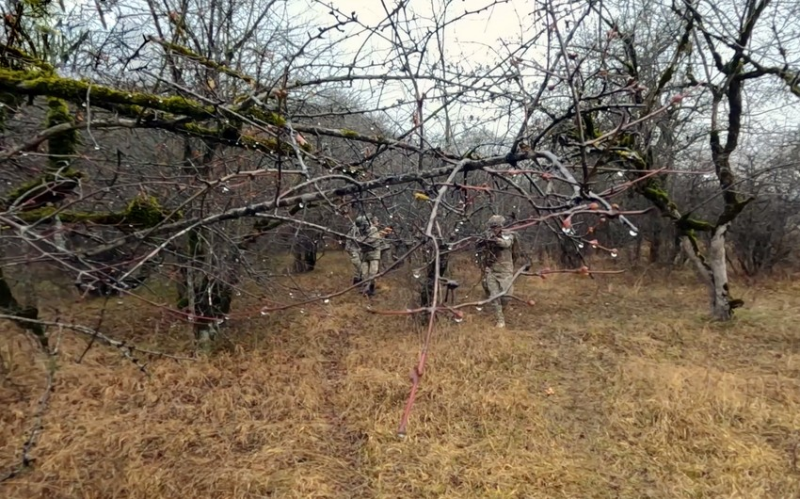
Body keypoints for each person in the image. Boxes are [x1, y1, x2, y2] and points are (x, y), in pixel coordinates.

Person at [476, 214, 519, 328]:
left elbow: (506, 244)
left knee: (507, 296)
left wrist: (495, 240)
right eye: (492, 227)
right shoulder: (486, 235)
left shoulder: (509, 235)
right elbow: (479, 247)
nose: (494, 229)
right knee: (494, 296)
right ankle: (500, 320)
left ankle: (502, 311)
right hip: (491, 270)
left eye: (497, 226)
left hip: (505, 271)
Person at [357, 214, 384, 296]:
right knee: (364, 273)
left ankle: (371, 288)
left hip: (374, 254)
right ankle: (365, 288)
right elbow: (357, 239)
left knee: (373, 272)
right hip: (364, 254)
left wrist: (363, 241)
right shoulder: (359, 231)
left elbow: (372, 240)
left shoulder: (373, 229)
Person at [345, 217, 365, 286]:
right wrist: (349, 249)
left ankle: (357, 280)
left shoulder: (364, 229)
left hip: (360, 249)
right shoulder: (353, 229)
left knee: (360, 266)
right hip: (353, 249)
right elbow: (348, 239)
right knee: (359, 265)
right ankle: (362, 280)